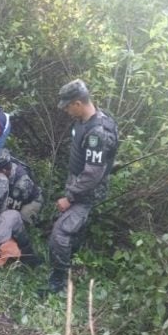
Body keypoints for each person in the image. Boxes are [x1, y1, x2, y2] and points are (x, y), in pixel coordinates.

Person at [47, 80, 119, 294]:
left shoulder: (98, 131)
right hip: (77, 184)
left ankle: (59, 282)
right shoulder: (85, 120)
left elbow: (93, 174)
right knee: (70, 228)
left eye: (68, 106)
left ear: (78, 103)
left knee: (59, 234)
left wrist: (70, 197)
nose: (67, 111)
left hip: (85, 192)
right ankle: (71, 257)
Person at [0, 149, 44, 226]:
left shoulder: (22, 183)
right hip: (10, 192)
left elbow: (13, 208)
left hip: (29, 201)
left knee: (17, 220)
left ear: (4, 171)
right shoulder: (1, 170)